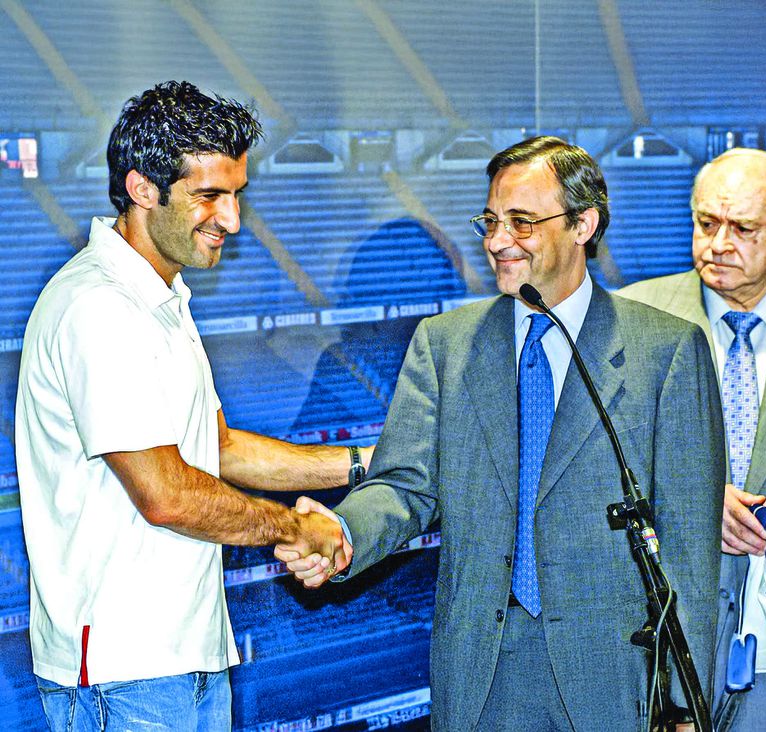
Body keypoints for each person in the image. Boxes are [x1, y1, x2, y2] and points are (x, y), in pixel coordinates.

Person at [280, 136, 725, 731]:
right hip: (481, 672)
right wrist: (341, 531)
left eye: (521, 222)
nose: (495, 242)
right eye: (491, 221)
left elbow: (689, 547)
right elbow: (406, 486)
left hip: (614, 675)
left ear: (582, 224)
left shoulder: (666, 351)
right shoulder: (445, 345)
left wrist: (679, 701)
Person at [15, 81, 361, 732]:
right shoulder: (101, 308)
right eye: (209, 196)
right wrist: (295, 530)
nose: (231, 220)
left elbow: (218, 448)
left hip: (178, 661)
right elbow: (167, 493)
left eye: (236, 195)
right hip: (127, 677)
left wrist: (362, 466)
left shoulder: (157, 297)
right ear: (144, 188)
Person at [620, 147, 766, 731]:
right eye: (706, 223)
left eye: (744, 228)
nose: (718, 243)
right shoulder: (633, 315)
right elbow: (594, 466)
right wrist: (691, 505)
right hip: (656, 637)